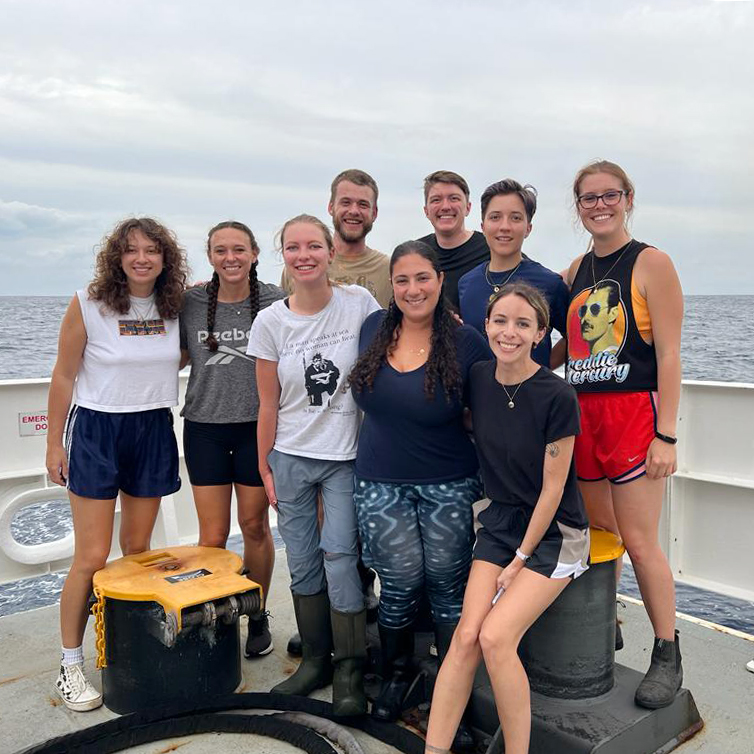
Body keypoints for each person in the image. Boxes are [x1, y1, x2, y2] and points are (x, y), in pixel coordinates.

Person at [424, 283, 590, 754]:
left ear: (541, 333)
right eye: (500, 321)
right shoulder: (477, 377)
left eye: (522, 324)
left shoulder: (558, 396)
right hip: (498, 521)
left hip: (554, 532)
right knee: (466, 637)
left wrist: (520, 558)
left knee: (496, 639)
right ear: (486, 325)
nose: (509, 332)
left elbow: (554, 489)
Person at [46, 217, 187, 711]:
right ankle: (69, 662)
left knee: (137, 548)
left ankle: (125, 648)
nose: (142, 258)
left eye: (152, 250)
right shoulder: (89, 302)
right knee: (90, 556)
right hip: (97, 430)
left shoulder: (175, 307)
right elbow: (64, 375)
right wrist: (53, 445)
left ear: (165, 258)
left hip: (151, 427)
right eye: (132, 251)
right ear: (117, 257)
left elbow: (182, 355)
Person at [349, 241, 489, 729]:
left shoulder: (467, 341)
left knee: (449, 586)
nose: (413, 289)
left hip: (448, 481)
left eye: (422, 278)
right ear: (392, 285)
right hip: (380, 481)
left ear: (439, 281)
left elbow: (490, 409)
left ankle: (455, 688)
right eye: (403, 280)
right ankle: (397, 671)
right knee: (400, 582)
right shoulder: (371, 329)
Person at [248, 214, 380, 716]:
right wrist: (265, 467)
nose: (303, 255)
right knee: (301, 557)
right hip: (290, 456)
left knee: (341, 555)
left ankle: (349, 665)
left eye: (313, 246)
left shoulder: (358, 303)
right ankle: (315, 661)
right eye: (292, 247)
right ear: (282, 254)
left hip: (345, 457)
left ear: (330, 252)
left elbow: (396, 344)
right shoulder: (270, 322)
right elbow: (266, 404)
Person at [564, 160, 683, 709]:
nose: (599, 205)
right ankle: (604, 621)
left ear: (627, 198)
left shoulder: (651, 263)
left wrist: (667, 435)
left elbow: (668, 354)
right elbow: (561, 352)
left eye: (609, 195)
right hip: (585, 415)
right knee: (599, 531)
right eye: (588, 198)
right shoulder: (574, 271)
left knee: (640, 540)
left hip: (635, 414)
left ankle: (666, 650)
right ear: (579, 206)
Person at [179, 220, 284, 658]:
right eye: (220, 250)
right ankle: (216, 616)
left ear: (255, 253)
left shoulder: (276, 300)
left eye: (239, 249)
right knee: (213, 535)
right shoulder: (191, 301)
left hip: (255, 428)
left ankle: (256, 612)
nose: (230, 258)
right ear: (210, 257)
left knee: (255, 527)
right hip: (203, 427)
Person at [458, 179, 569, 368]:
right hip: (477, 395)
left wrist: (543, 369)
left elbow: (575, 337)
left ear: (528, 228)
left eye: (515, 218)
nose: (505, 226)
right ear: (483, 226)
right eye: (495, 217)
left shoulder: (550, 283)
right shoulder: (466, 283)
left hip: (532, 395)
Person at [281, 169, 392, 307]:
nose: (354, 211)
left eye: (363, 204)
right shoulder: (302, 266)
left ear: (374, 213)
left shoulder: (388, 269)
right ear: (331, 207)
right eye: (346, 203)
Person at [418, 170, 490, 309]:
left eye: (454, 198)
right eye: (436, 200)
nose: (445, 207)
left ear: (468, 207)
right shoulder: (416, 253)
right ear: (426, 211)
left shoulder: (491, 248)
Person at [578, 280, 621, 355]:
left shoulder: (618, 357)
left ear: (613, 314)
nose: (585, 318)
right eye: (583, 310)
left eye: (595, 310)